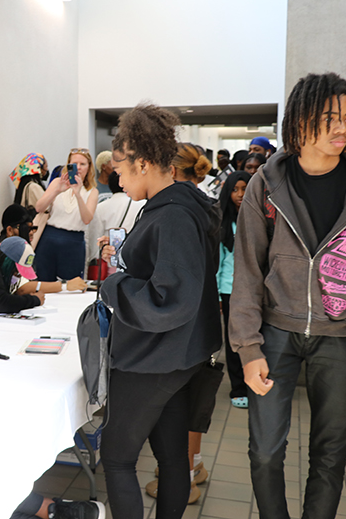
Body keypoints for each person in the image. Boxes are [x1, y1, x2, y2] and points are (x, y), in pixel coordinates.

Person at [229, 73, 346, 519]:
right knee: (265, 450)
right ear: (301, 119)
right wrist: (248, 348)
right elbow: (248, 271)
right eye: (329, 118)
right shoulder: (265, 185)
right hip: (276, 333)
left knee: (329, 455)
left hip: (342, 337)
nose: (341, 128)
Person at [98, 104, 221, 519]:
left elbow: (171, 298)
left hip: (152, 359)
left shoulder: (172, 215)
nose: (117, 177)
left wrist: (114, 284)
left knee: (116, 458)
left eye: (120, 168)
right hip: (177, 357)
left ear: (144, 163)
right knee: (172, 458)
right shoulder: (183, 206)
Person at [215, 171, 251, 408]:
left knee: (255, 339)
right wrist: (217, 294)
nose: (240, 194)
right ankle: (238, 387)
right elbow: (218, 261)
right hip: (229, 291)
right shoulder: (222, 222)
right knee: (233, 341)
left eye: (244, 189)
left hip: (255, 291)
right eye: (235, 189)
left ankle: (254, 382)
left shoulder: (259, 218)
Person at [34, 148, 99, 282]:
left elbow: (87, 219)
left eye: (83, 164)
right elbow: (39, 207)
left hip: (73, 241)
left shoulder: (92, 191)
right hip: (49, 237)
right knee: (43, 281)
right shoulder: (57, 183)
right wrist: (57, 191)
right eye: (74, 164)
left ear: (89, 167)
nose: (78, 168)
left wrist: (78, 194)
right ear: (68, 165)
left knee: (72, 286)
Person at [85, 172, 146, 271]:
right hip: (134, 261)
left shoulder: (101, 207)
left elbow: (95, 238)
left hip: (108, 262)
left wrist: (91, 259)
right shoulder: (143, 205)